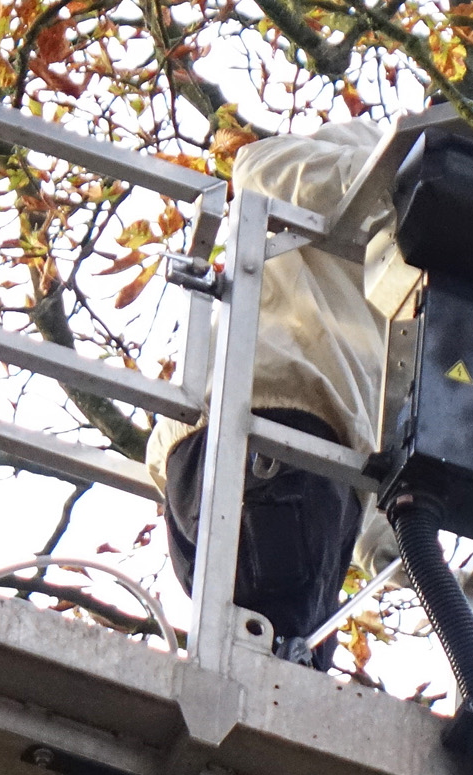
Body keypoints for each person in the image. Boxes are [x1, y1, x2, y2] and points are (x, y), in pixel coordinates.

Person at [146, 119, 390, 669]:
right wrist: (394, 182)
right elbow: (255, 167)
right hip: (269, 433)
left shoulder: (412, 294)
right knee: (276, 661)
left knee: (286, 663)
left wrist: (383, 542)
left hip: (310, 471)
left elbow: (386, 421)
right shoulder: (320, 180)